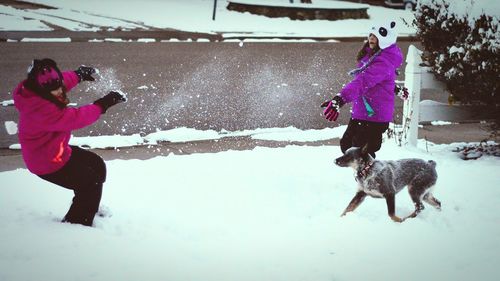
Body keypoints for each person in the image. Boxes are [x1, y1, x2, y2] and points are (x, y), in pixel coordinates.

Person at [13, 58, 127, 226]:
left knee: (96, 165)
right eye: (55, 90)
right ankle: (77, 224)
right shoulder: (42, 110)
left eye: (59, 85)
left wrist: (78, 75)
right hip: (47, 162)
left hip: (55, 151)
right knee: (89, 182)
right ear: (42, 91)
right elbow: (76, 118)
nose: (60, 91)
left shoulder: (38, 90)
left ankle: (87, 206)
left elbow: (59, 82)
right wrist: (102, 104)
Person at [321, 21, 403, 158]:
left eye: (376, 36)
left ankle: (372, 177)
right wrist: (396, 89)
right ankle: (368, 175)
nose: (371, 38)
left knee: (359, 152)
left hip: (374, 115)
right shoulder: (370, 56)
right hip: (363, 112)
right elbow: (379, 82)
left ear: (385, 39)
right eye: (370, 34)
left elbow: (363, 81)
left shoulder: (382, 61)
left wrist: (340, 98)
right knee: (347, 146)